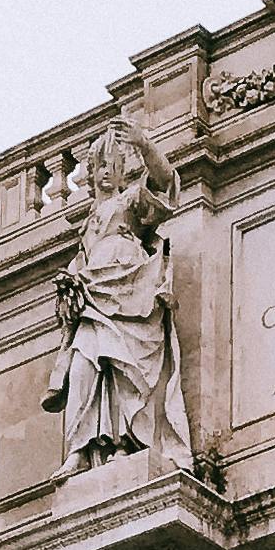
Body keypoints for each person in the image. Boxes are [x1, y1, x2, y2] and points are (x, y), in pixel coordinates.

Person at [43, 124, 194, 475]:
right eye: (101, 164)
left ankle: (126, 442)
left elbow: (168, 187)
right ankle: (80, 449)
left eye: (114, 162)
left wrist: (145, 143)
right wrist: (68, 288)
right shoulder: (89, 224)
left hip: (128, 291)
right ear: (93, 173)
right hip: (93, 297)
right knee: (83, 368)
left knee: (124, 367)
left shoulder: (131, 200)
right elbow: (79, 263)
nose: (107, 170)